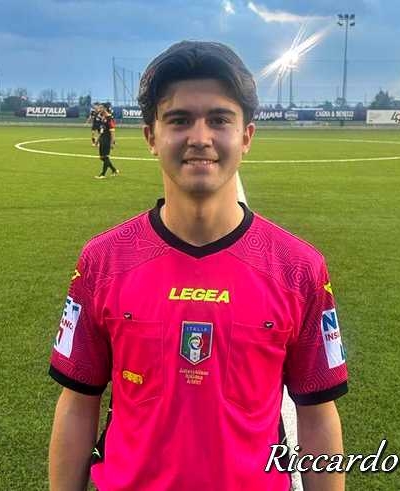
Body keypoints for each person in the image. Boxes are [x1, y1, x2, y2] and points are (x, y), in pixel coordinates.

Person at [49, 41, 348, 491]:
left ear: (246, 136)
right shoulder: (103, 260)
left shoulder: (299, 268)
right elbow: (78, 403)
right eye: (179, 120)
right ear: (151, 137)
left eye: (219, 120)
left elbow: (318, 415)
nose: (200, 138)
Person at [94, 105, 119, 179]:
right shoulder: (103, 118)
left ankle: (103, 174)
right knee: (102, 157)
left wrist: (112, 143)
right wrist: (97, 140)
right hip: (102, 139)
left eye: (100, 108)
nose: (99, 109)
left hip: (107, 140)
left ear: (104, 109)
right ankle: (114, 170)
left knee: (105, 157)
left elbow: (112, 132)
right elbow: (101, 130)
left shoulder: (109, 118)